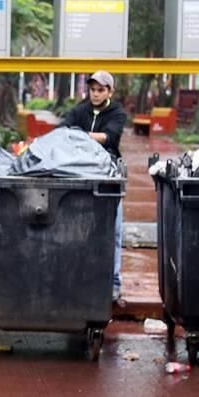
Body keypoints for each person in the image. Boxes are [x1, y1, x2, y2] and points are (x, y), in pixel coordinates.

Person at [60, 70, 127, 300]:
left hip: (107, 173)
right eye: (92, 90)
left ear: (110, 91)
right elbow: (64, 128)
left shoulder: (117, 112)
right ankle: (80, 278)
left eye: (100, 90)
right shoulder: (80, 109)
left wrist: (80, 135)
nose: (95, 94)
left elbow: (110, 137)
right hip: (80, 170)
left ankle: (114, 282)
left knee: (114, 228)